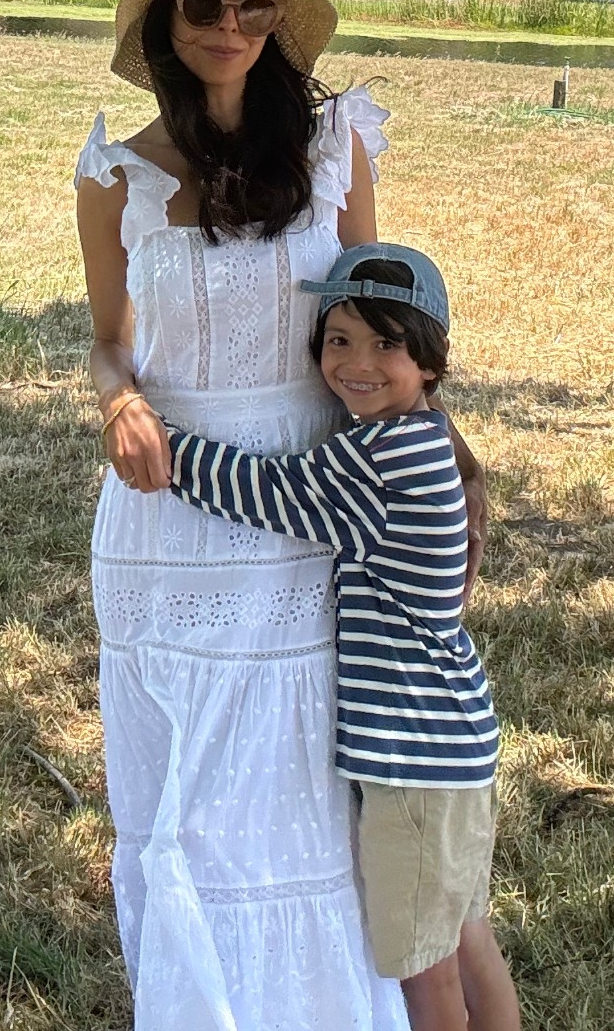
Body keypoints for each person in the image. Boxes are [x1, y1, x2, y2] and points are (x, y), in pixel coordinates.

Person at [74, 0, 487, 1031]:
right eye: (204, 2)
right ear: (166, 19)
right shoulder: (116, 172)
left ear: (279, 21)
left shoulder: (335, 142)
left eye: (254, 4)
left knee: (307, 806)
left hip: (315, 510)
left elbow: (380, 311)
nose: (230, 24)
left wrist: (438, 471)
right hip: (166, 525)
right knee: (188, 816)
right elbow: (109, 334)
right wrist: (118, 399)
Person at [140, 244, 521, 1031]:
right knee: (467, 936)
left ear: (430, 362)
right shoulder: (426, 436)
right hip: (456, 745)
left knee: (427, 972)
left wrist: (156, 437)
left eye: (387, 344)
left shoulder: (380, 459)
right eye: (339, 338)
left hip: (414, 763)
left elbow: (265, 492)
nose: (357, 363)